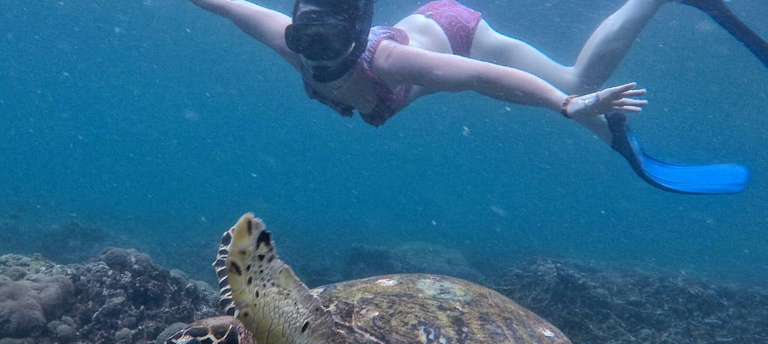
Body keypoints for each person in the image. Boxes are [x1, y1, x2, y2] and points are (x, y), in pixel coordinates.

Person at [185, 0, 767, 193]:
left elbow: (481, 78)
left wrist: (565, 108)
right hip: (430, 30)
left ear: (353, 45)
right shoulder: (296, 44)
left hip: (456, 28)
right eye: (307, 52)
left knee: (573, 83)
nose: (318, 70)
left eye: (329, 62)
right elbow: (226, 4)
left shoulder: (392, 61)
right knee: (572, 90)